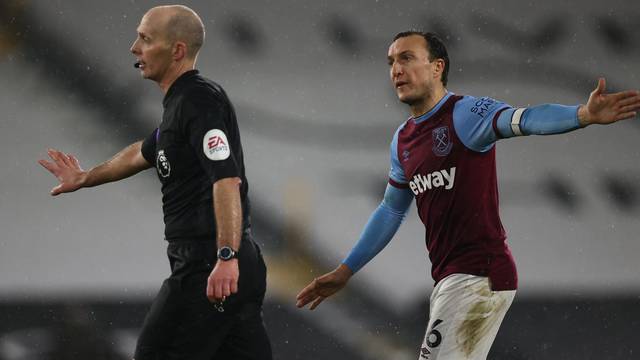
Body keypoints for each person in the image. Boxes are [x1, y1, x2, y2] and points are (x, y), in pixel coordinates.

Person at [296, 31, 640, 360]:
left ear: (437, 67)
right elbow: (390, 209)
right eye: (390, 62)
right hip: (452, 277)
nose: (396, 69)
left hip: (479, 274)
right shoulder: (402, 140)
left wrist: (582, 115)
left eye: (407, 58)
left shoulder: (465, 115)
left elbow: (527, 119)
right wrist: (346, 270)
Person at [38, 5, 272, 360]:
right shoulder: (180, 106)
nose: (134, 48)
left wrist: (226, 255)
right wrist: (86, 178)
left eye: (145, 39)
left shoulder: (197, 100)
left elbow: (226, 179)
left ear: (177, 50)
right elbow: (141, 152)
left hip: (207, 265)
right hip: (232, 266)